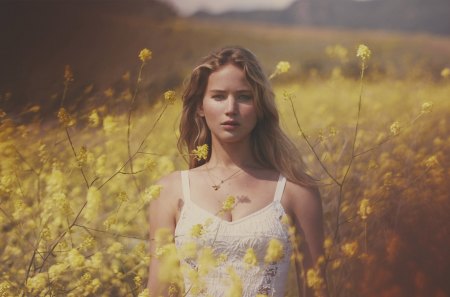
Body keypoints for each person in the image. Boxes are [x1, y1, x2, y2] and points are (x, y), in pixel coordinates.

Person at [147, 46, 326, 297]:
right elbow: (159, 291)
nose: (231, 108)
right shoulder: (169, 192)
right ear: (200, 106)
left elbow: (316, 291)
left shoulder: (297, 191)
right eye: (219, 96)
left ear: (260, 106)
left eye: (244, 97)